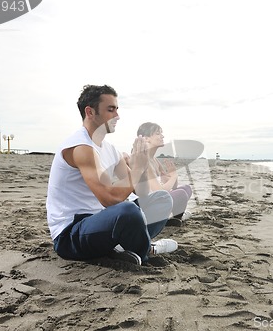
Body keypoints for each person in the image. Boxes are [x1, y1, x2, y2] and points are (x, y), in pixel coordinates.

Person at [46, 85, 177, 266]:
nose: (117, 116)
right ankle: (147, 249)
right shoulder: (81, 148)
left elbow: (142, 191)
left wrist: (142, 164)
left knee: (162, 198)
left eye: (117, 109)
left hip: (100, 222)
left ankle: (124, 248)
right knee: (127, 211)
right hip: (71, 234)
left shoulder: (110, 150)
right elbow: (109, 198)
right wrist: (137, 170)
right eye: (110, 109)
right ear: (90, 112)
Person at [135, 122, 193, 226]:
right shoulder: (143, 159)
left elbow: (173, 186)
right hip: (144, 207)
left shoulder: (155, 160)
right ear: (146, 138)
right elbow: (160, 191)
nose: (162, 136)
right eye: (158, 133)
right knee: (181, 193)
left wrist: (172, 176)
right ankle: (169, 221)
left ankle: (174, 219)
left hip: (156, 200)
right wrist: (173, 176)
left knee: (186, 188)